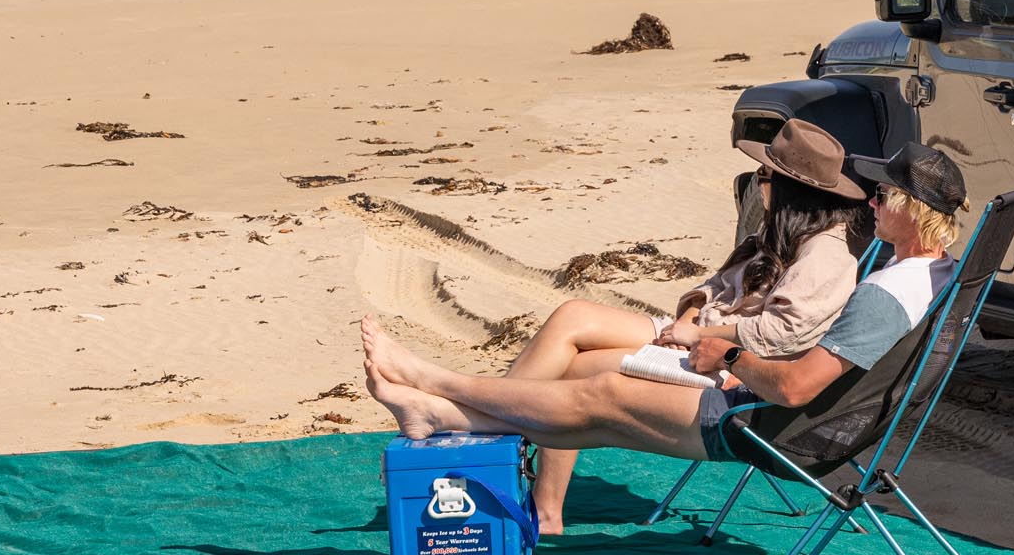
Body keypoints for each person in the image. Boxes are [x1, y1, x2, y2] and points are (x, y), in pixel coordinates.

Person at [362, 144, 969, 478]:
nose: (871, 201)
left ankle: (434, 384)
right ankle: (442, 417)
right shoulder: (925, 273)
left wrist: (726, 351)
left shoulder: (890, 294)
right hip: (777, 409)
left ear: (912, 210)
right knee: (591, 409)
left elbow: (795, 387)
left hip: (769, 427)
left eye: (883, 194)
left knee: (597, 393)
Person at [508, 118, 873, 533]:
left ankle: (519, 476)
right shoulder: (784, 230)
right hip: (701, 336)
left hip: (731, 365)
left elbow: (779, 335)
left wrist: (698, 336)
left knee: (576, 369)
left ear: (794, 189)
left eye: (764, 175)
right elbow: (718, 283)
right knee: (573, 314)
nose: (757, 182)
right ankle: (499, 437)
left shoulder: (826, 255)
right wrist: (689, 315)